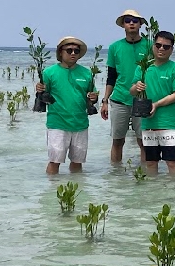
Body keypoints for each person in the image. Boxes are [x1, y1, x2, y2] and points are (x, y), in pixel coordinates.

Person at [35, 36, 96, 174]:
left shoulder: (87, 73)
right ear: (60, 52)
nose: (73, 53)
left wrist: (93, 98)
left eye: (76, 50)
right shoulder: (49, 73)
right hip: (57, 123)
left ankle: (78, 189)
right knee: (54, 161)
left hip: (80, 123)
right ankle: (51, 191)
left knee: (77, 162)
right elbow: (43, 97)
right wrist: (39, 90)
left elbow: (91, 97)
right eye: (69, 50)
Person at [130, 30, 175, 174]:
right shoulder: (142, 67)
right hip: (148, 123)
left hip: (169, 123)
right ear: (153, 46)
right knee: (150, 162)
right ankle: (152, 195)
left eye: (166, 47)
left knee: (172, 162)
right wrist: (136, 87)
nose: (161, 49)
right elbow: (131, 91)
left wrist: (156, 104)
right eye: (158, 45)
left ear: (172, 49)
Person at [102, 9, 152, 163]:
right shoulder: (114, 47)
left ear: (141, 25)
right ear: (123, 24)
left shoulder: (150, 45)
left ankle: (145, 175)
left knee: (143, 142)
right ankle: (116, 178)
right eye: (128, 20)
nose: (131, 23)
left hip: (143, 99)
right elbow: (111, 77)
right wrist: (104, 101)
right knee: (118, 141)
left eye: (135, 20)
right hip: (119, 99)